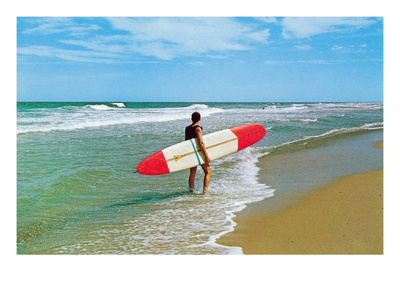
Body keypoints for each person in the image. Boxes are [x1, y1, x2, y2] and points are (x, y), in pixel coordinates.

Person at [185, 112, 211, 194]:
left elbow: (186, 142)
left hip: (192, 153)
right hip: (199, 153)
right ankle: (205, 191)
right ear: (199, 119)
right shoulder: (198, 129)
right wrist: (206, 156)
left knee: (192, 173)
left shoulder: (187, 128)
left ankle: (191, 191)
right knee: (208, 172)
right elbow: (201, 143)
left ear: (191, 119)